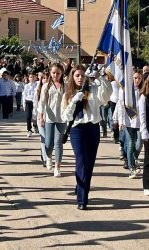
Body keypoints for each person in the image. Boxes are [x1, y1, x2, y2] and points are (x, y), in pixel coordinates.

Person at [61, 64, 112, 210]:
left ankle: (81, 187)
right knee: (81, 161)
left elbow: (106, 96)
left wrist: (100, 78)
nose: (80, 78)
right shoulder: (68, 94)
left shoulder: (94, 89)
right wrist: (74, 101)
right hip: (78, 130)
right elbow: (65, 116)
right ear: (72, 77)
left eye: (82, 75)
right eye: (77, 75)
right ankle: (82, 199)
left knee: (89, 164)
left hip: (92, 128)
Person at [39, 63, 66, 177]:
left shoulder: (66, 85)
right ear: (50, 73)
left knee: (58, 142)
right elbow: (42, 102)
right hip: (49, 117)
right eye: (54, 73)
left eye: (58, 73)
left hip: (62, 117)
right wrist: (41, 117)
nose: (56, 75)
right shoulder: (46, 86)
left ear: (61, 73)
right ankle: (49, 157)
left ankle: (57, 167)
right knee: (48, 142)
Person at [117, 71, 143, 179]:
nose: (136, 80)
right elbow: (121, 106)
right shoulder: (125, 90)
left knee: (139, 143)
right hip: (129, 120)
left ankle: (133, 158)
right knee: (131, 142)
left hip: (140, 121)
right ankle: (131, 167)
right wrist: (120, 121)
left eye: (138, 78)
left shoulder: (142, 91)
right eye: (135, 78)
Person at [34, 71, 49, 168]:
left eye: (47, 78)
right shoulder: (37, 91)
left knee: (49, 140)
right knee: (44, 139)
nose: (45, 80)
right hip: (41, 118)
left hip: (51, 118)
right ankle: (46, 159)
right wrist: (35, 118)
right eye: (43, 78)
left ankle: (46, 155)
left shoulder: (52, 89)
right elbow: (35, 106)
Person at [22, 72, 37, 137]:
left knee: (35, 115)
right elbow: (24, 95)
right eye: (31, 77)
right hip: (28, 101)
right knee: (28, 116)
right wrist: (24, 105)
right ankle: (29, 129)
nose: (32, 78)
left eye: (33, 77)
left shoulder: (37, 85)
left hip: (35, 102)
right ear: (28, 78)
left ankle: (35, 125)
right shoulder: (26, 86)